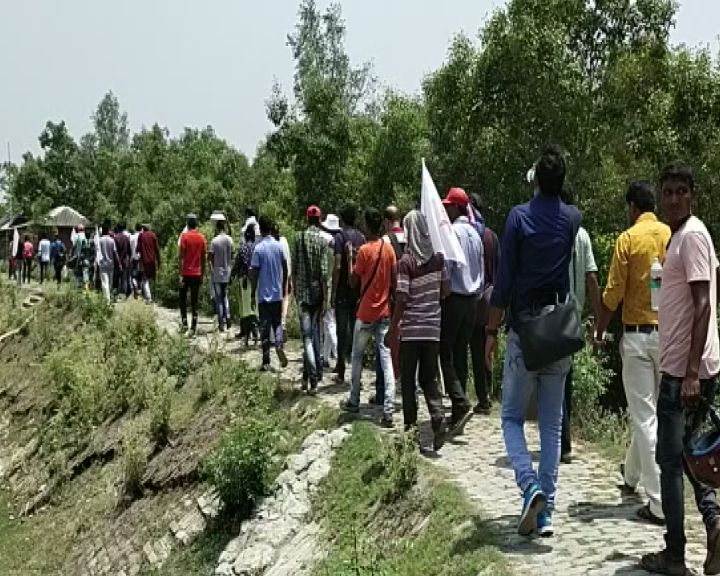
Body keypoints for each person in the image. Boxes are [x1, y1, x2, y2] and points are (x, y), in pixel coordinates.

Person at [485, 146, 580, 538]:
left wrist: (490, 333)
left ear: (537, 180)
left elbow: (504, 282)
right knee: (552, 424)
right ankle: (546, 515)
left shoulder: (518, 218)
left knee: (510, 417)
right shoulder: (573, 219)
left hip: (524, 333)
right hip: (557, 332)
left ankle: (529, 485)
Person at [640, 164, 720, 576]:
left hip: (685, 372)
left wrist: (690, 373)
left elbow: (704, 304)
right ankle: (713, 526)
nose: (673, 199)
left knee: (671, 460)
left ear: (692, 195)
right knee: (690, 457)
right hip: (680, 365)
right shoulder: (682, 237)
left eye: (680, 191)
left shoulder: (691, 237)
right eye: (667, 192)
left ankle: (675, 555)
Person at [593, 181, 669, 524]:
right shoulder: (671, 235)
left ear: (632, 208)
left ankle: (658, 503)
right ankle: (631, 476)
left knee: (644, 417)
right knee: (653, 411)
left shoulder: (628, 239)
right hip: (669, 336)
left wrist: (600, 327)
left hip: (637, 337)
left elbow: (613, 292)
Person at [386, 210, 449, 449]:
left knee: (409, 382)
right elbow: (447, 290)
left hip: (412, 331)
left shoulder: (406, 263)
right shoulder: (438, 260)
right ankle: (437, 416)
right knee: (429, 377)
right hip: (433, 329)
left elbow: (401, 299)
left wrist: (392, 330)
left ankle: (411, 432)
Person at [341, 208, 397, 427]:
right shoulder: (389, 250)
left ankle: (354, 399)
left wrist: (350, 260)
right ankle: (389, 408)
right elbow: (393, 281)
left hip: (365, 314)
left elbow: (353, 282)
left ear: (367, 225)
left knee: (356, 357)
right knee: (386, 361)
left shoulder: (363, 251)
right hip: (384, 313)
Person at [559, 189, 602, 465]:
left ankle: (560, 440)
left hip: (553, 316)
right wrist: (598, 319)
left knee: (556, 378)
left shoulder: (553, 233)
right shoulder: (583, 235)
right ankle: (564, 440)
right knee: (566, 378)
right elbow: (591, 278)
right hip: (574, 315)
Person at [440, 187, 484, 435]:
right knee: (461, 351)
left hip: (455, 297)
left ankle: (459, 400)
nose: (446, 209)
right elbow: (481, 268)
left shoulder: (452, 232)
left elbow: (447, 267)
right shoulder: (476, 234)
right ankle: (460, 404)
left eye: (448, 205)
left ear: (457, 207)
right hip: (472, 299)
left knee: (444, 352)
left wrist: (442, 293)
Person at [468, 192, 500, 416]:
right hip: (492, 297)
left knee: (475, 346)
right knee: (487, 347)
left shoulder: (471, 235)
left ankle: (482, 396)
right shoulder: (492, 236)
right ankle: (488, 391)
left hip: (474, 298)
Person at [293, 205, 329, 393]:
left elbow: (295, 267)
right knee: (315, 334)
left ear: (307, 219)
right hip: (317, 294)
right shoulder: (323, 242)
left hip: (302, 294)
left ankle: (312, 377)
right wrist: (326, 298)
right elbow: (324, 273)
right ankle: (308, 377)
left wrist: (295, 292)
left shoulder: (298, 238)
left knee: (307, 337)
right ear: (320, 220)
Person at [373, 205, 406, 406]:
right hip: (411, 296)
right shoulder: (412, 237)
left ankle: (388, 384)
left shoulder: (384, 242)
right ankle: (405, 380)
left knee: (387, 342)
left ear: (386, 221)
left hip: (391, 298)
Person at [332, 203, 366, 383]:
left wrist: (334, 290)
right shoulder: (362, 237)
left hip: (343, 292)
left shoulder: (339, 237)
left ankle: (341, 368)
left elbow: (337, 266)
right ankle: (356, 371)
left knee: (341, 331)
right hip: (358, 291)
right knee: (356, 332)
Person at [251, 215, 289, 371]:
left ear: (260, 228)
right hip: (277, 294)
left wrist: (253, 291)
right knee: (277, 323)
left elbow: (254, 272)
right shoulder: (279, 246)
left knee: (264, 328)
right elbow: (285, 267)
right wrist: (284, 283)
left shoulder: (258, 249)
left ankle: (266, 361)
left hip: (263, 296)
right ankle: (279, 344)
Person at [178, 215, 206, 335]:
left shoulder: (184, 237)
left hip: (186, 273)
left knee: (182, 299)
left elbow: (181, 258)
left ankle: (184, 324)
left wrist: (180, 274)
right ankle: (193, 328)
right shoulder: (201, 238)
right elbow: (203, 258)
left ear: (187, 224)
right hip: (197, 273)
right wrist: (203, 273)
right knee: (195, 302)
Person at [320, 214, 341, 368]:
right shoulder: (338, 242)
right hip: (337, 285)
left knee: (329, 322)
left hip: (327, 285)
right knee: (330, 322)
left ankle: (339, 356)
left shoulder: (326, 242)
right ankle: (325, 357)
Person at [235, 224, 259, 345]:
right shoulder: (257, 247)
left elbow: (238, 263)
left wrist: (232, 276)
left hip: (244, 281)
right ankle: (255, 334)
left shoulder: (243, 248)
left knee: (246, 309)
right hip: (255, 281)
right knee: (254, 308)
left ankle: (248, 336)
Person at [208, 218, 234, 332]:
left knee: (219, 299)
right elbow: (232, 256)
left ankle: (221, 323)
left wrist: (212, 270)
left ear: (217, 228)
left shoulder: (214, 241)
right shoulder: (230, 240)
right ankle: (228, 316)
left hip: (217, 273)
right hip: (227, 272)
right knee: (225, 296)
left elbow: (209, 258)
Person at [272, 223, 292, 336]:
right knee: (285, 299)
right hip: (284, 275)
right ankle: (282, 323)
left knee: (277, 302)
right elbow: (288, 259)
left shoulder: (272, 244)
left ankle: (277, 327)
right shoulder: (283, 241)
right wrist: (289, 278)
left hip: (275, 277)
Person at [98, 221, 120, 303]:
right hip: (111, 264)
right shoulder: (112, 240)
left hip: (103, 264)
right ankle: (109, 298)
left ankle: (107, 300)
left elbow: (97, 252)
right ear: (108, 231)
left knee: (105, 283)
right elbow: (115, 252)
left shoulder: (100, 241)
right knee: (110, 283)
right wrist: (119, 263)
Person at [137, 224, 161, 304]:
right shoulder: (153, 235)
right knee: (152, 278)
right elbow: (157, 249)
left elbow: (138, 248)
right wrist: (159, 261)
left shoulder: (141, 236)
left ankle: (148, 298)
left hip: (144, 261)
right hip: (152, 261)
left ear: (143, 229)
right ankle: (155, 296)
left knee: (145, 279)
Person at [113, 223, 131, 299]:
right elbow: (129, 251)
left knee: (116, 278)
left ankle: (116, 293)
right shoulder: (126, 238)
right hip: (125, 261)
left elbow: (114, 251)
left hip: (117, 262)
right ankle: (124, 294)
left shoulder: (115, 238)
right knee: (124, 278)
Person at [71, 225, 90, 290]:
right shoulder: (86, 236)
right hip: (86, 258)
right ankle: (86, 288)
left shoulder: (76, 236)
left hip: (78, 258)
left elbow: (73, 246)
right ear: (83, 229)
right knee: (86, 273)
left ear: (78, 229)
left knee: (78, 273)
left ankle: (79, 288)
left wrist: (71, 255)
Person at [129, 224, 141, 297]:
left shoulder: (132, 237)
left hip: (133, 258)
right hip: (141, 258)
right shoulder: (142, 236)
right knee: (141, 275)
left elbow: (130, 248)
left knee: (133, 275)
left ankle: (135, 286)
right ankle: (140, 289)